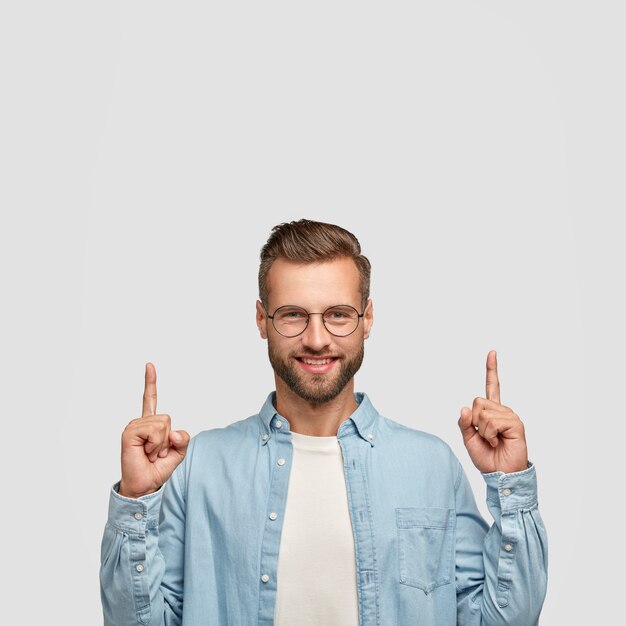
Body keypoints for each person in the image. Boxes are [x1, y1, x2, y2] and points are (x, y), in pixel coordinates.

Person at [100, 219, 548, 626]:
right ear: (262, 320)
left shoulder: (431, 466)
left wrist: (510, 485)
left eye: (337, 314)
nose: (317, 339)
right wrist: (136, 500)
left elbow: (500, 620)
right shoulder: (200, 466)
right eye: (293, 314)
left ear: (367, 318)